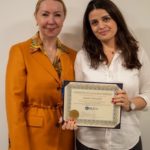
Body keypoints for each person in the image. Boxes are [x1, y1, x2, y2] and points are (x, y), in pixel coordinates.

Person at [62, 0, 150, 150]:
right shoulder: (83, 56)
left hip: (127, 141)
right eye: (94, 22)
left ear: (116, 19)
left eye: (106, 19)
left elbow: (148, 93)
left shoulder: (137, 51)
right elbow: (76, 98)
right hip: (89, 143)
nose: (101, 26)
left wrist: (130, 104)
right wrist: (71, 117)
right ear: (90, 28)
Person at [5, 0, 76, 150]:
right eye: (45, 14)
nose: (51, 21)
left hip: (64, 137)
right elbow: (14, 105)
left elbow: (77, 98)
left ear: (63, 19)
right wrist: (20, 146)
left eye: (57, 15)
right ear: (36, 18)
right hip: (32, 138)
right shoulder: (20, 51)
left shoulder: (73, 55)